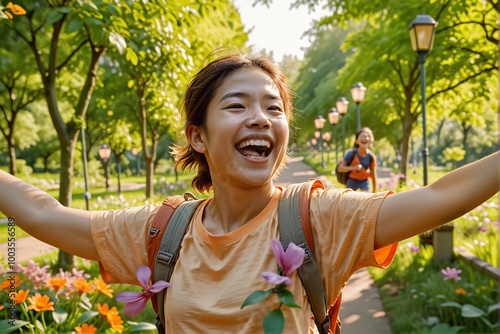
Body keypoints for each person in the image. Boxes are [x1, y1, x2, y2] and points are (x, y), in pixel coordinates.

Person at [0, 52, 499, 333]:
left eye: (274, 108)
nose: (260, 117)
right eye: (237, 105)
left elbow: (439, 196)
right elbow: (44, 214)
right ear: (198, 136)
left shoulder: (319, 219)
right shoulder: (161, 231)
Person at [337, 127, 377, 192]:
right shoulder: (351, 153)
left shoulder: (371, 157)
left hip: (364, 181)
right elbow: (340, 168)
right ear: (357, 141)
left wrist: (374, 193)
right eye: (362, 136)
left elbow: (374, 176)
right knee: (348, 199)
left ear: (370, 141)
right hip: (352, 180)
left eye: (367, 136)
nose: (364, 138)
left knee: (365, 198)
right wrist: (354, 168)